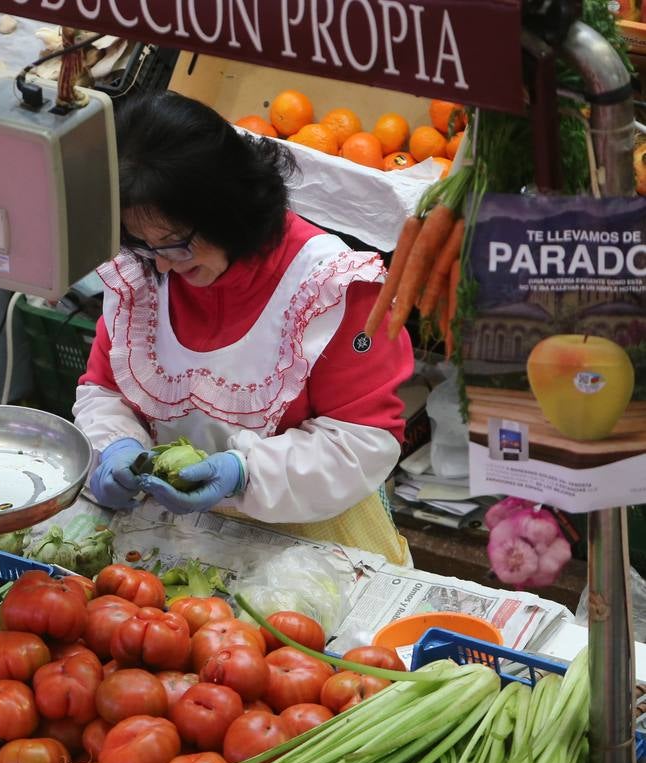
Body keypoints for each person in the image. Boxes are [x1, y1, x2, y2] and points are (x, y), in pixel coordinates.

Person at [75, 92, 414, 564]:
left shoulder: (329, 288)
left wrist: (246, 473)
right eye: (144, 245)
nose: (166, 268)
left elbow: (364, 443)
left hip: (309, 548)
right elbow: (104, 390)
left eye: (178, 245)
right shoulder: (145, 270)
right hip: (175, 541)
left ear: (229, 209)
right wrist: (115, 446)